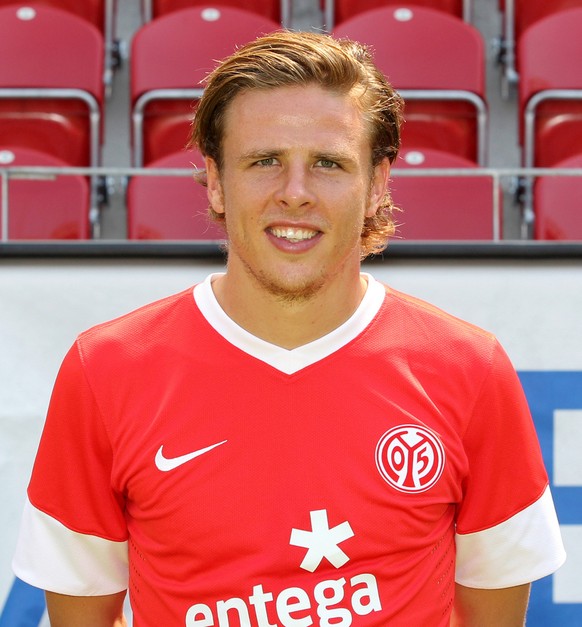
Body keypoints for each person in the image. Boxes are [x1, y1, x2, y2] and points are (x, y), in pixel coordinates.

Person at [13, 30, 565, 626]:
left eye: (328, 163)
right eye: (264, 161)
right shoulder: (106, 370)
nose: (294, 194)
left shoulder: (469, 368)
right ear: (217, 181)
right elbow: (82, 613)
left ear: (377, 184)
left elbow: (494, 614)